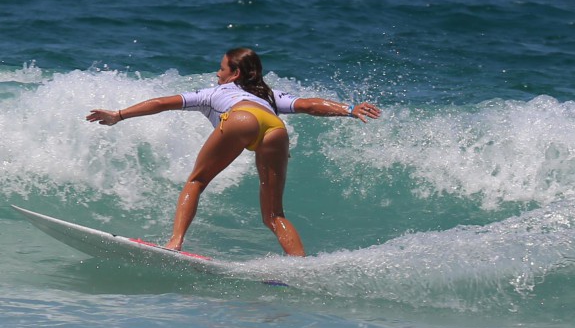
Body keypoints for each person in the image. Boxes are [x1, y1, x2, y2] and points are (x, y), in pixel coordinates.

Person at [86, 47, 381, 256]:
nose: (217, 73)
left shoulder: (213, 93)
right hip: (275, 129)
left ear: (234, 73)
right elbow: (307, 105)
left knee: (197, 181)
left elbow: (163, 102)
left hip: (241, 119)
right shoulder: (267, 94)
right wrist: (349, 108)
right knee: (274, 214)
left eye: (221, 68)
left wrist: (119, 115)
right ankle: (300, 267)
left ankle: (175, 243)